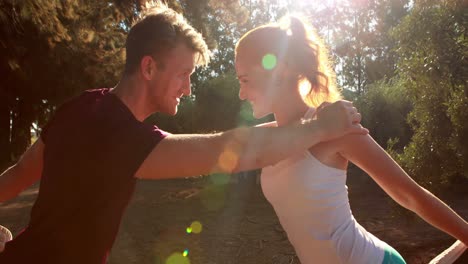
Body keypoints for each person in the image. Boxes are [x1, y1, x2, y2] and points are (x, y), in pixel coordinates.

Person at [0, 4, 367, 264]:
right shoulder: (121, 137)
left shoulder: (82, 106)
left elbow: (18, 174)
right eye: (183, 74)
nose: (188, 88)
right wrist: (320, 127)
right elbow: (228, 150)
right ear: (148, 68)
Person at [234, 15, 468, 264]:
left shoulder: (335, 128)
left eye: (245, 80)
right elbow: (206, 151)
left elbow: (410, 194)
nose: (241, 93)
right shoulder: (264, 137)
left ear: (279, 70)